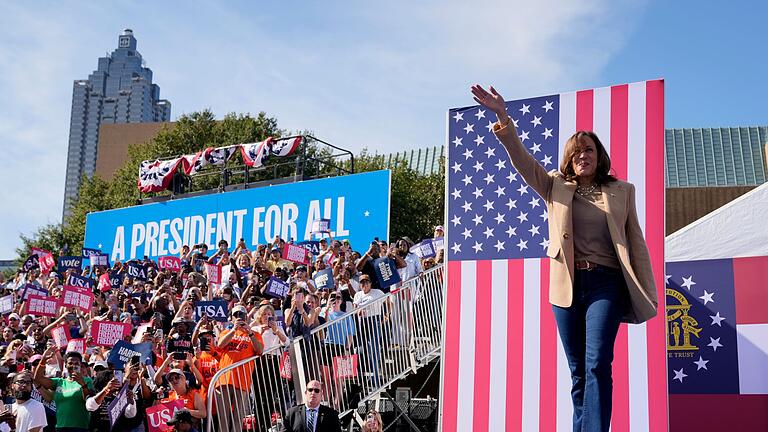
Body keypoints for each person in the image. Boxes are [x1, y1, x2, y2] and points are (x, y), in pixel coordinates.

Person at [471, 84, 658, 432]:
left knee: (598, 362)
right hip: (567, 288)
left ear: (599, 155)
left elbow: (637, 242)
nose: (582, 156)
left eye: (588, 149)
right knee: (578, 372)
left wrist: (646, 289)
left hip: (606, 284)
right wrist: (502, 116)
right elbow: (523, 162)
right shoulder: (555, 185)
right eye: (575, 152)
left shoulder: (622, 191)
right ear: (569, 159)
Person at [34, 348, 95, 432]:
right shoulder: (59, 382)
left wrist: (83, 384)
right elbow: (38, 379)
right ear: (65, 365)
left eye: (76, 363)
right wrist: (43, 360)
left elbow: (90, 400)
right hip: (60, 427)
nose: (73, 366)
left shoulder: (87, 381)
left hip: (80, 428)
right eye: (70, 363)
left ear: (80, 365)